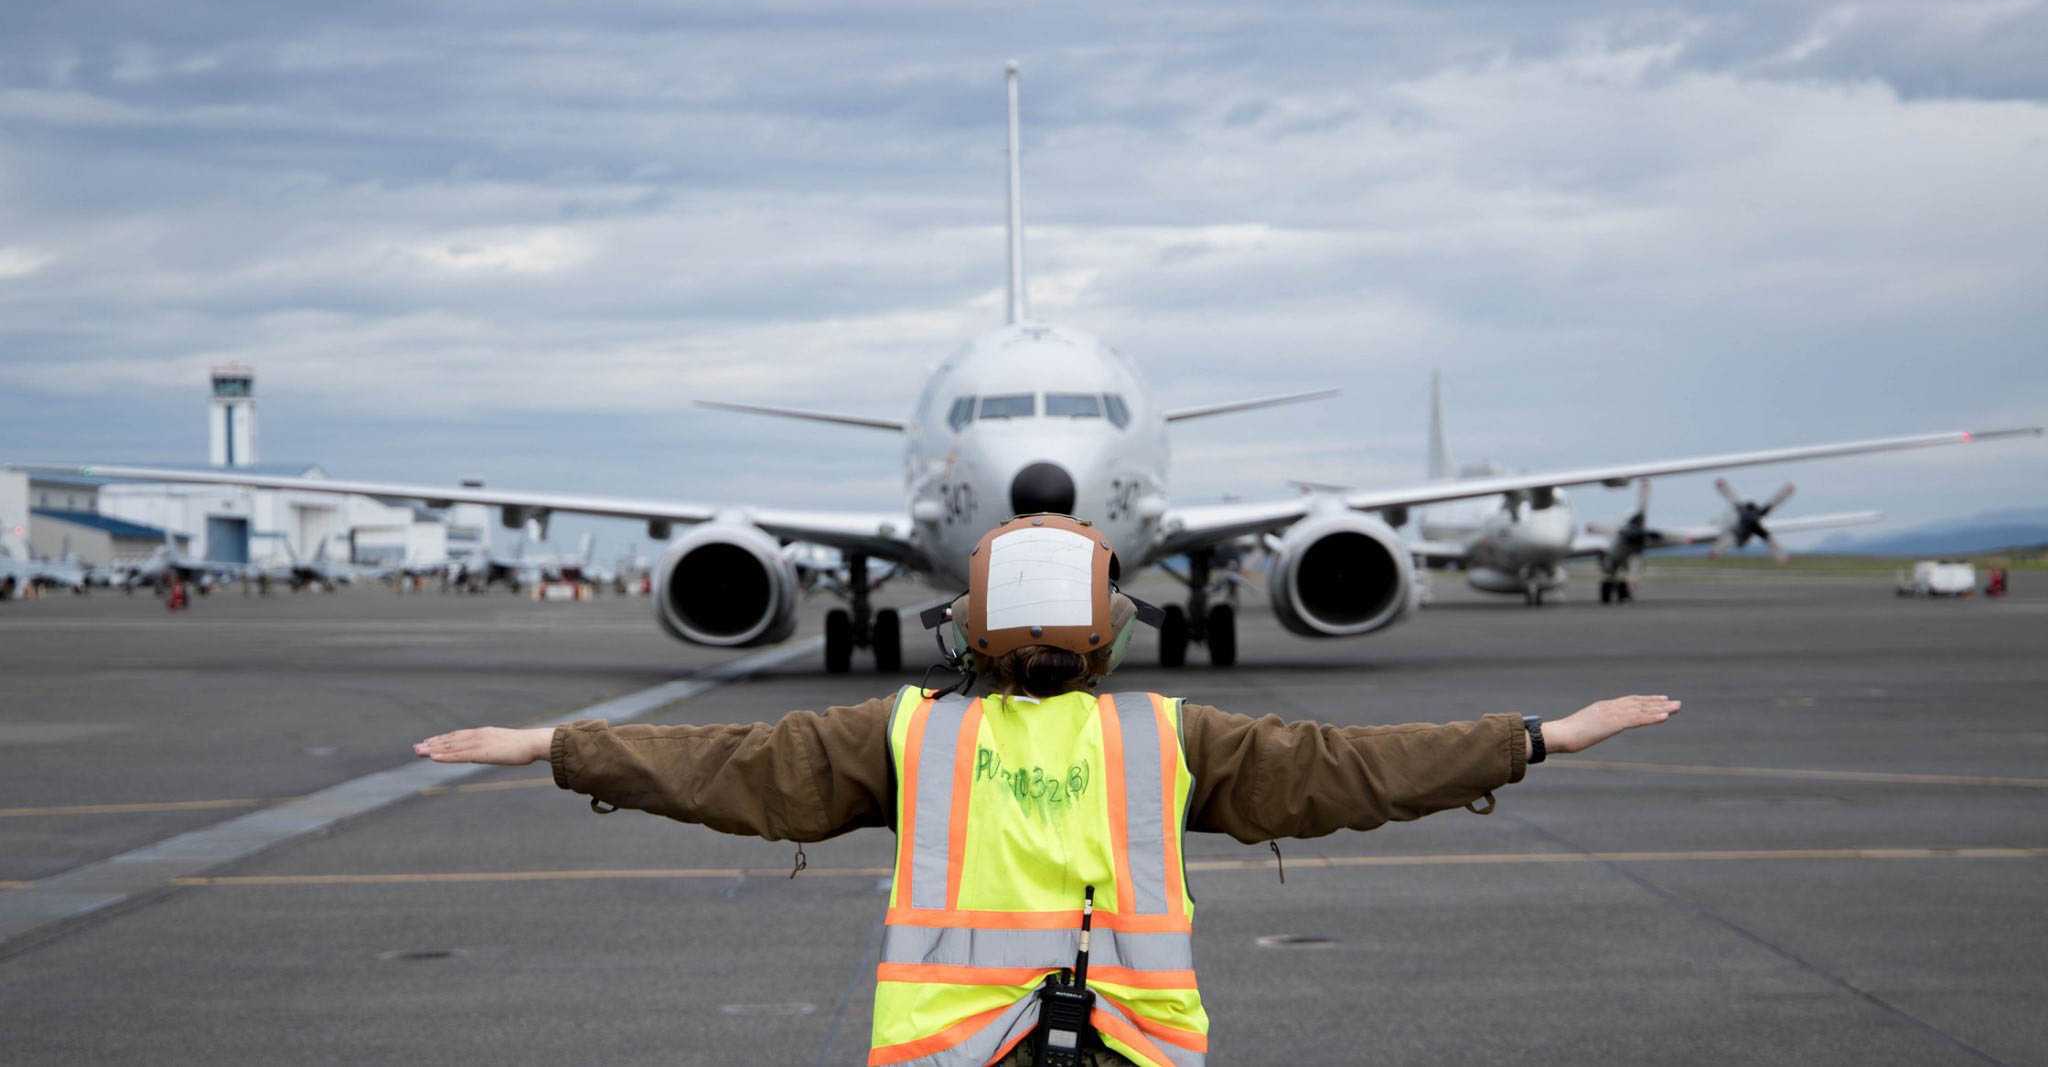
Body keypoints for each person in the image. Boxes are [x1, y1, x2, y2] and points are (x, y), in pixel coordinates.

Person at [416, 514, 1679, 1066]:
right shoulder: (1170, 740)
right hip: (1129, 1049)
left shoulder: (902, 734)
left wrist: (554, 743)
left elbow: (727, 765)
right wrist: (1535, 735)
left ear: (965, 628)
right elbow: (1353, 767)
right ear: (1105, 634)